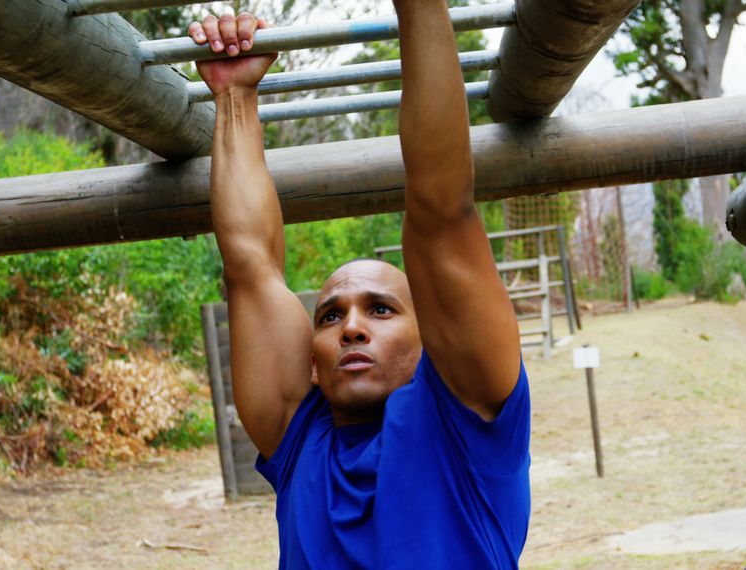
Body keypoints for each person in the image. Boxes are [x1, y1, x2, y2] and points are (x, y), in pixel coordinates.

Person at [187, 2, 531, 567]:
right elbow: (249, 265)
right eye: (329, 315)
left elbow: (441, 210)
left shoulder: (470, 428)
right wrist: (233, 96)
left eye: (381, 310)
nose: (351, 326)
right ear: (313, 363)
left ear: (433, 346)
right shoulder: (299, 443)